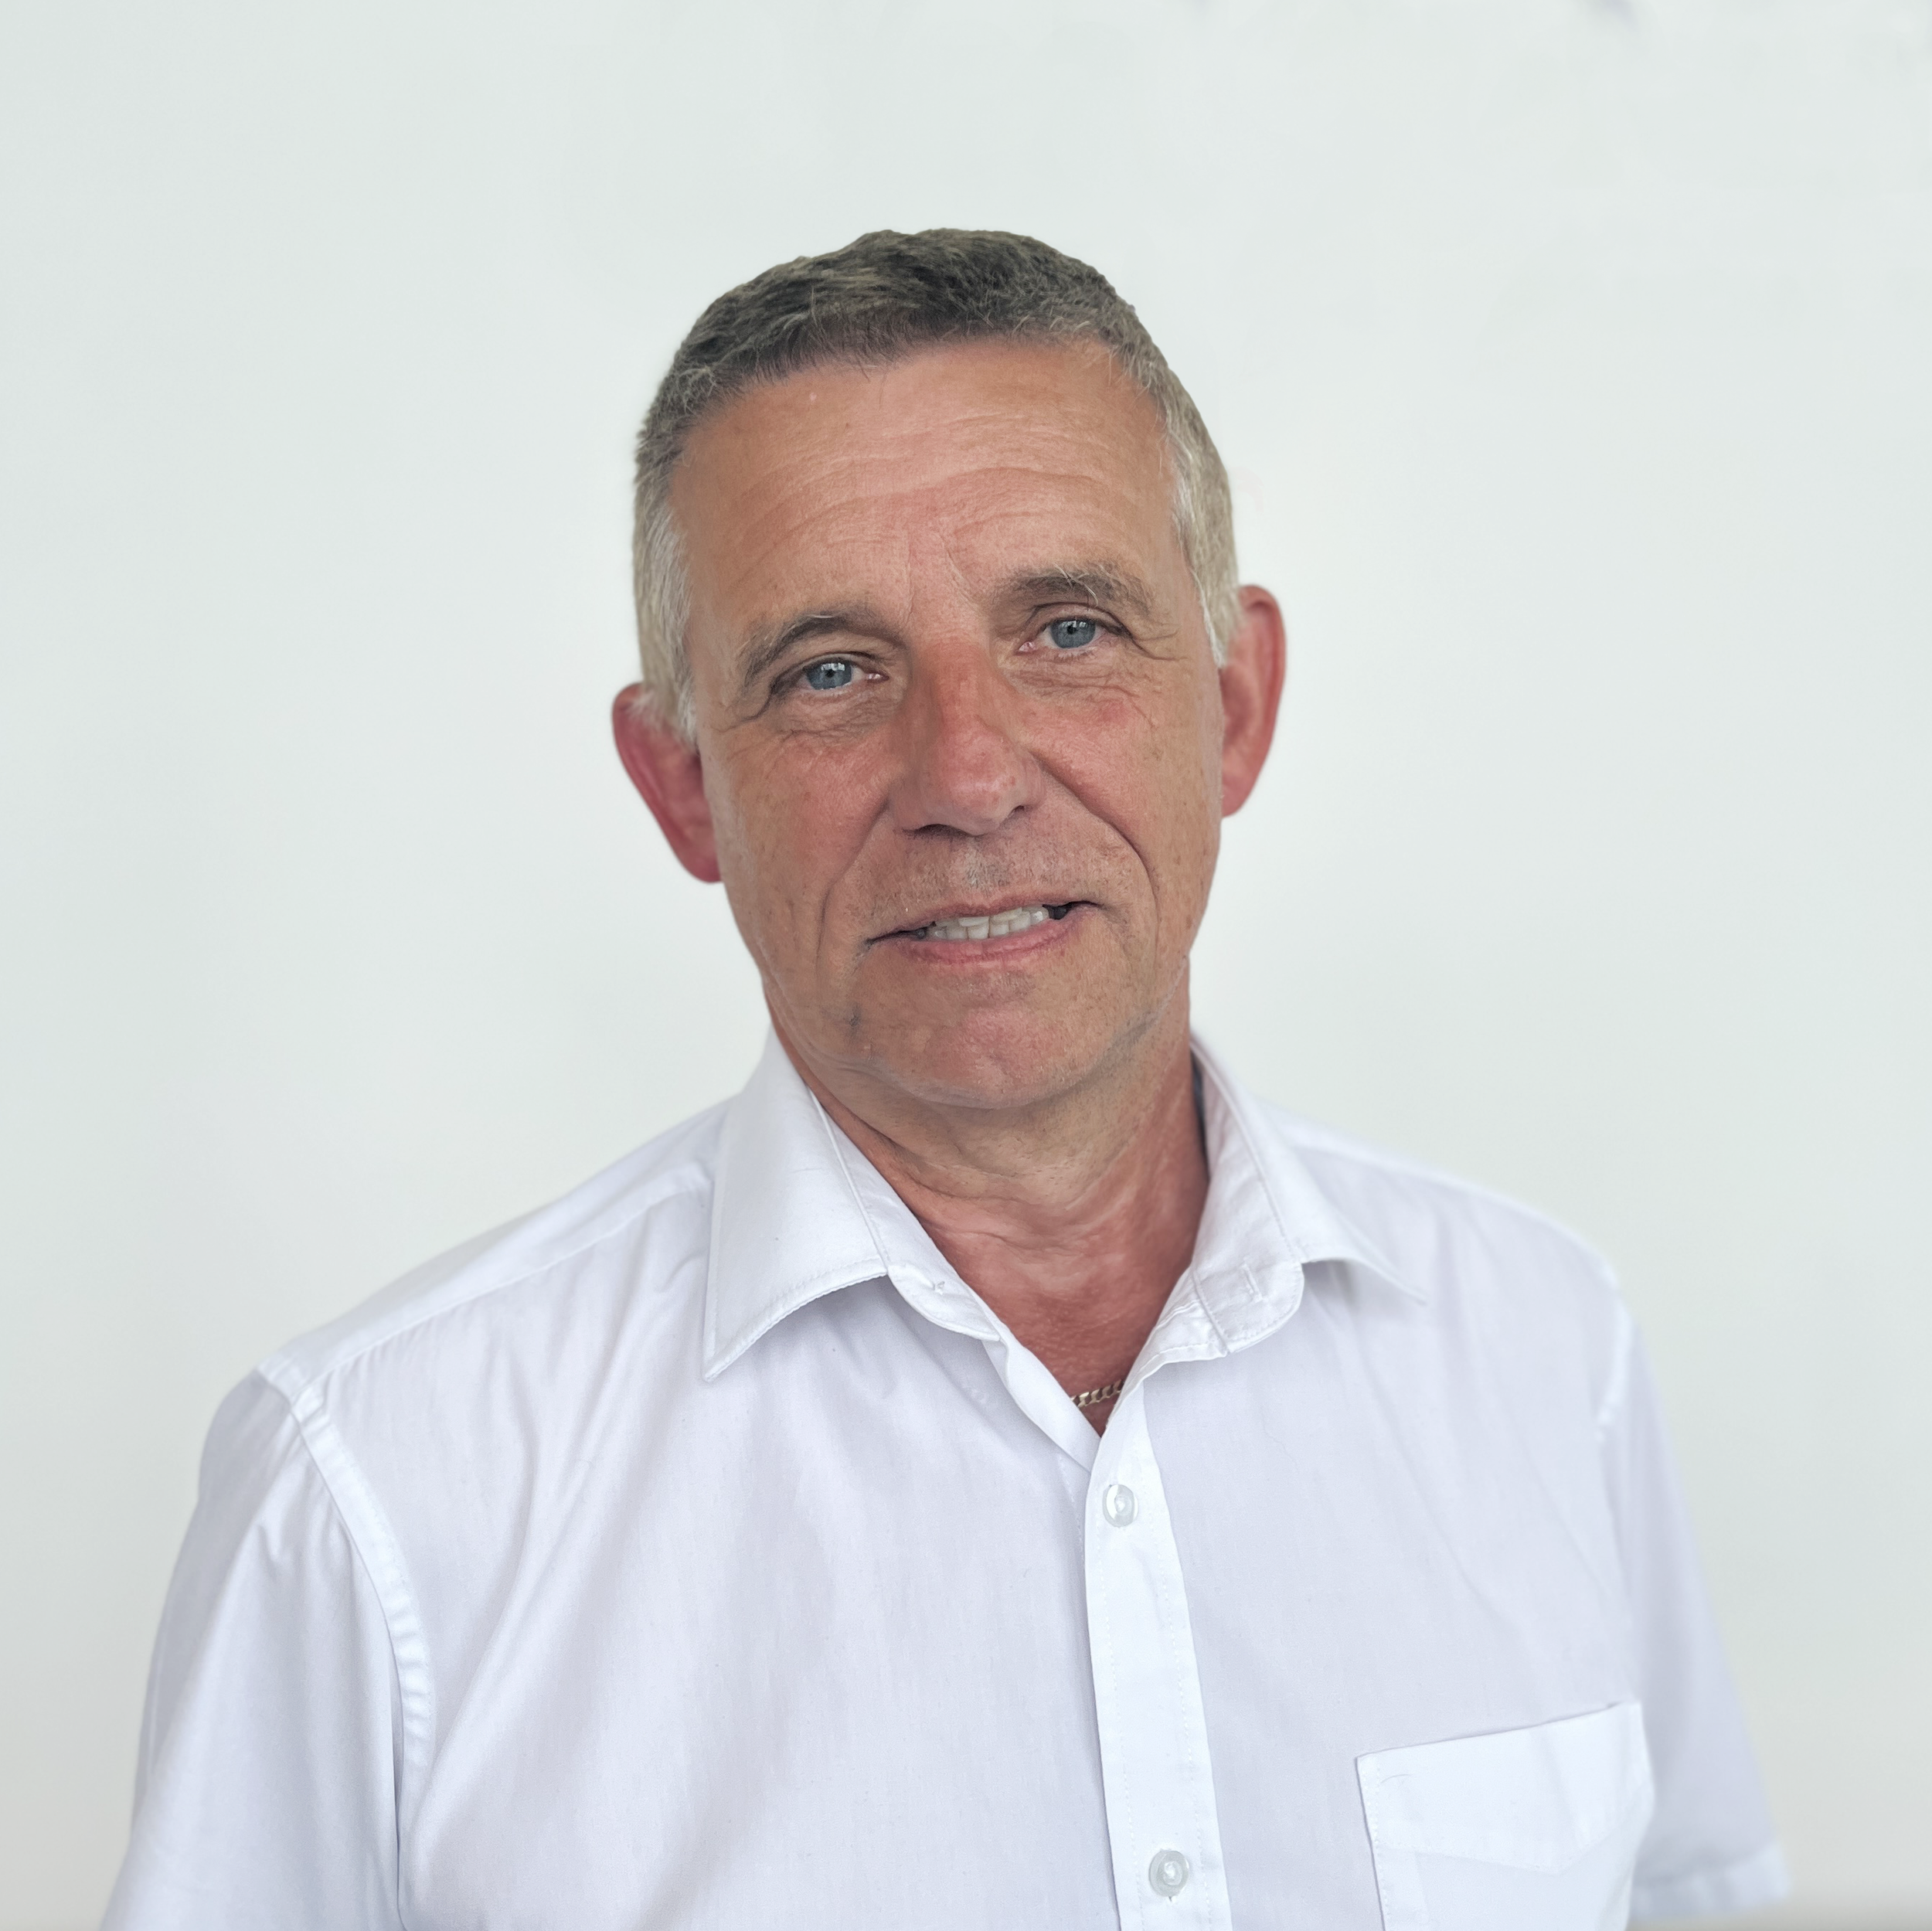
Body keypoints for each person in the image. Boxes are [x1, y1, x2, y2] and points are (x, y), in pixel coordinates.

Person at [106, 229, 1787, 1930]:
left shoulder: (1539, 1345)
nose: (968, 776)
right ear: (682, 786)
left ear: (1232, 708)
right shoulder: (377, 1491)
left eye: (1066, 628)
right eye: (829, 672)